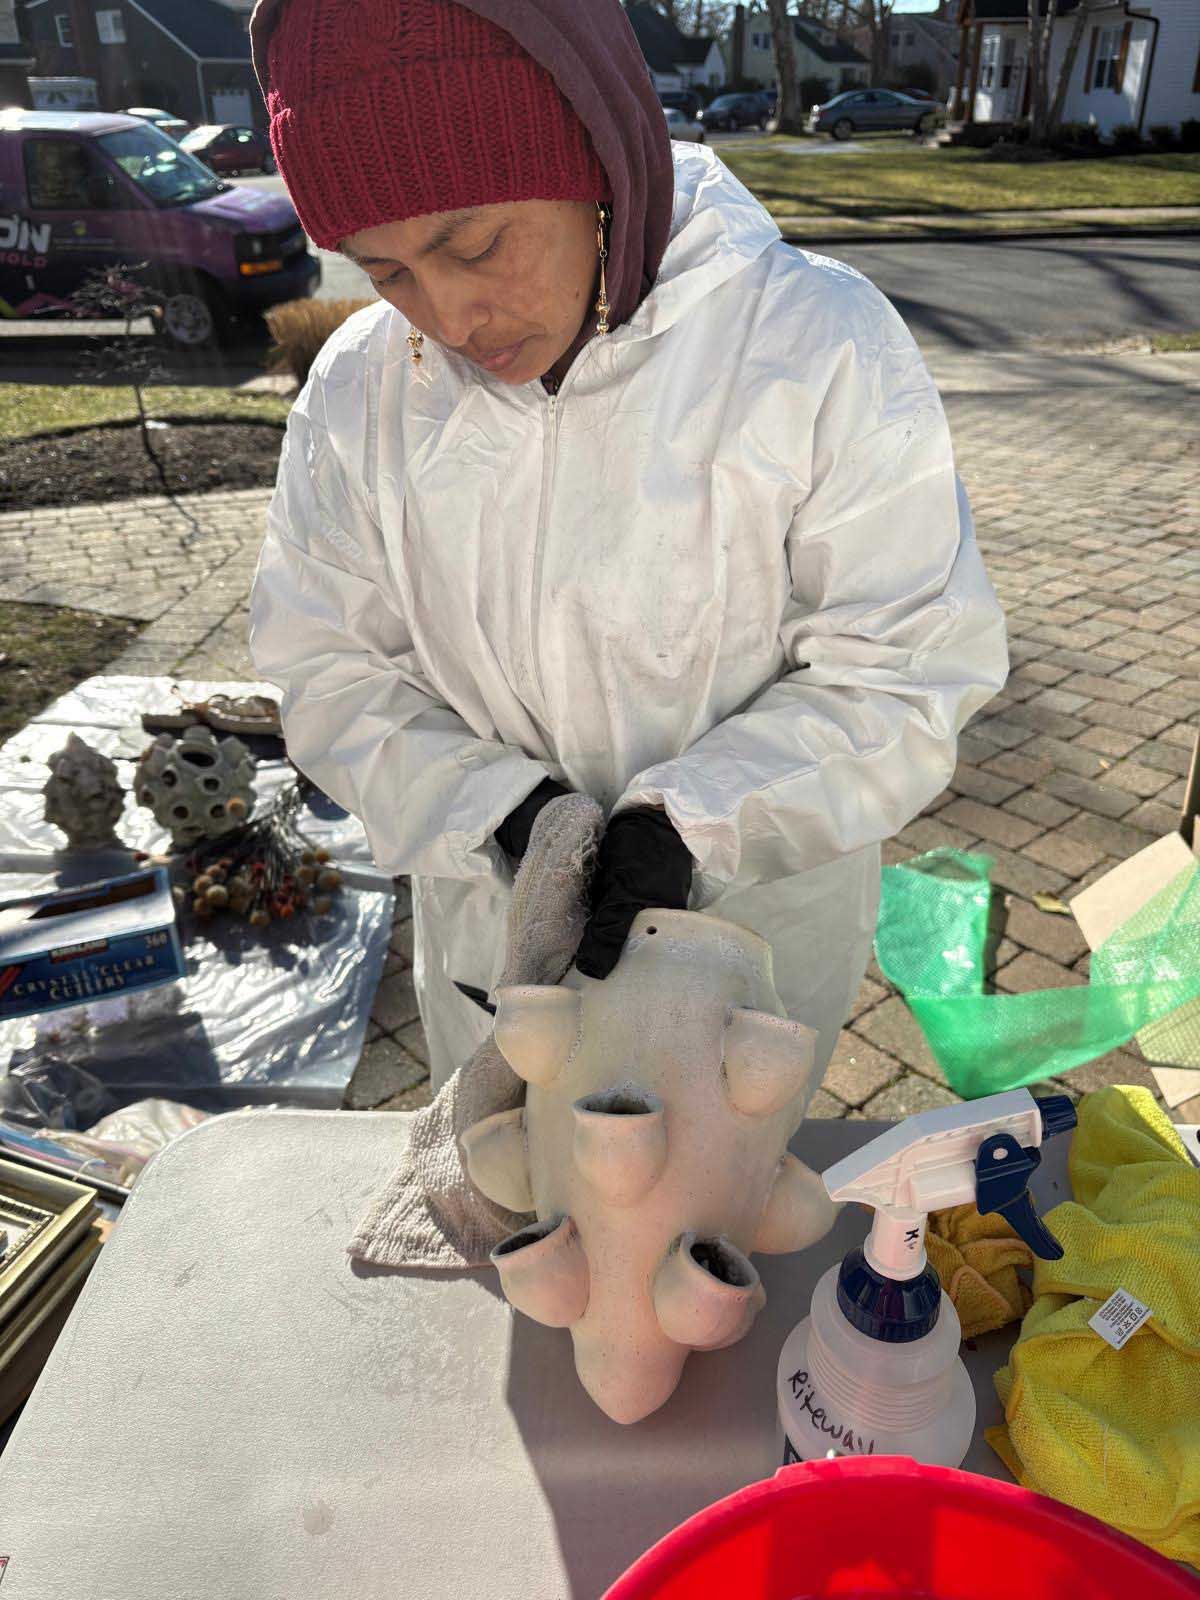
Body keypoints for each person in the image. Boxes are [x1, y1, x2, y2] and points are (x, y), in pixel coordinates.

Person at [248, 0, 1008, 1093]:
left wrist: (696, 822)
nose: (451, 314)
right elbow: (327, 664)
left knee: (726, 1216)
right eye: (387, 272)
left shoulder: (811, 346)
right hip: (495, 952)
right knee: (523, 1212)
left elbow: (909, 665)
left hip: (752, 949)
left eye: (474, 242)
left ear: (596, 152)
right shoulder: (365, 393)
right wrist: (495, 808)